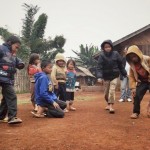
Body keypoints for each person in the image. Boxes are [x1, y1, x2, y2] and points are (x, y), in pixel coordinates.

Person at [97, 40, 127, 113]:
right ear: (103, 48)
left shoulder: (116, 54)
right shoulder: (102, 55)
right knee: (106, 94)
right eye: (106, 47)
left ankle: (111, 106)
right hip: (106, 76)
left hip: (114, 75)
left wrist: (124, 73)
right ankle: (108, 103)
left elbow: (120, 65)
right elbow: (99, 67)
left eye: (109, 47)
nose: (107, 48)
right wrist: (99, 77)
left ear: (111, 47)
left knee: (112, 90)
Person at [0, 35, 25, 124]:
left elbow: (18, 62)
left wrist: (21, 64)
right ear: (10, 43)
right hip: (2, 77)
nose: (16, 50)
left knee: (7, 98)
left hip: (7, 79)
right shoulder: (1, 49)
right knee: (11, 96)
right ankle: (12, 117)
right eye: (16, 47)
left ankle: (1, 116)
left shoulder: (12, 54)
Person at [126, 45, 150, 119]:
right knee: (136, 95)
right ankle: (136, 112)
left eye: (134, 56)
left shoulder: (147, 59)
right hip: (142, 82)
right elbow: (131, 77)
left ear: (138, 54)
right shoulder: (132, 66)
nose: (133, 58)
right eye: (131, 57)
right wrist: (133, 88)